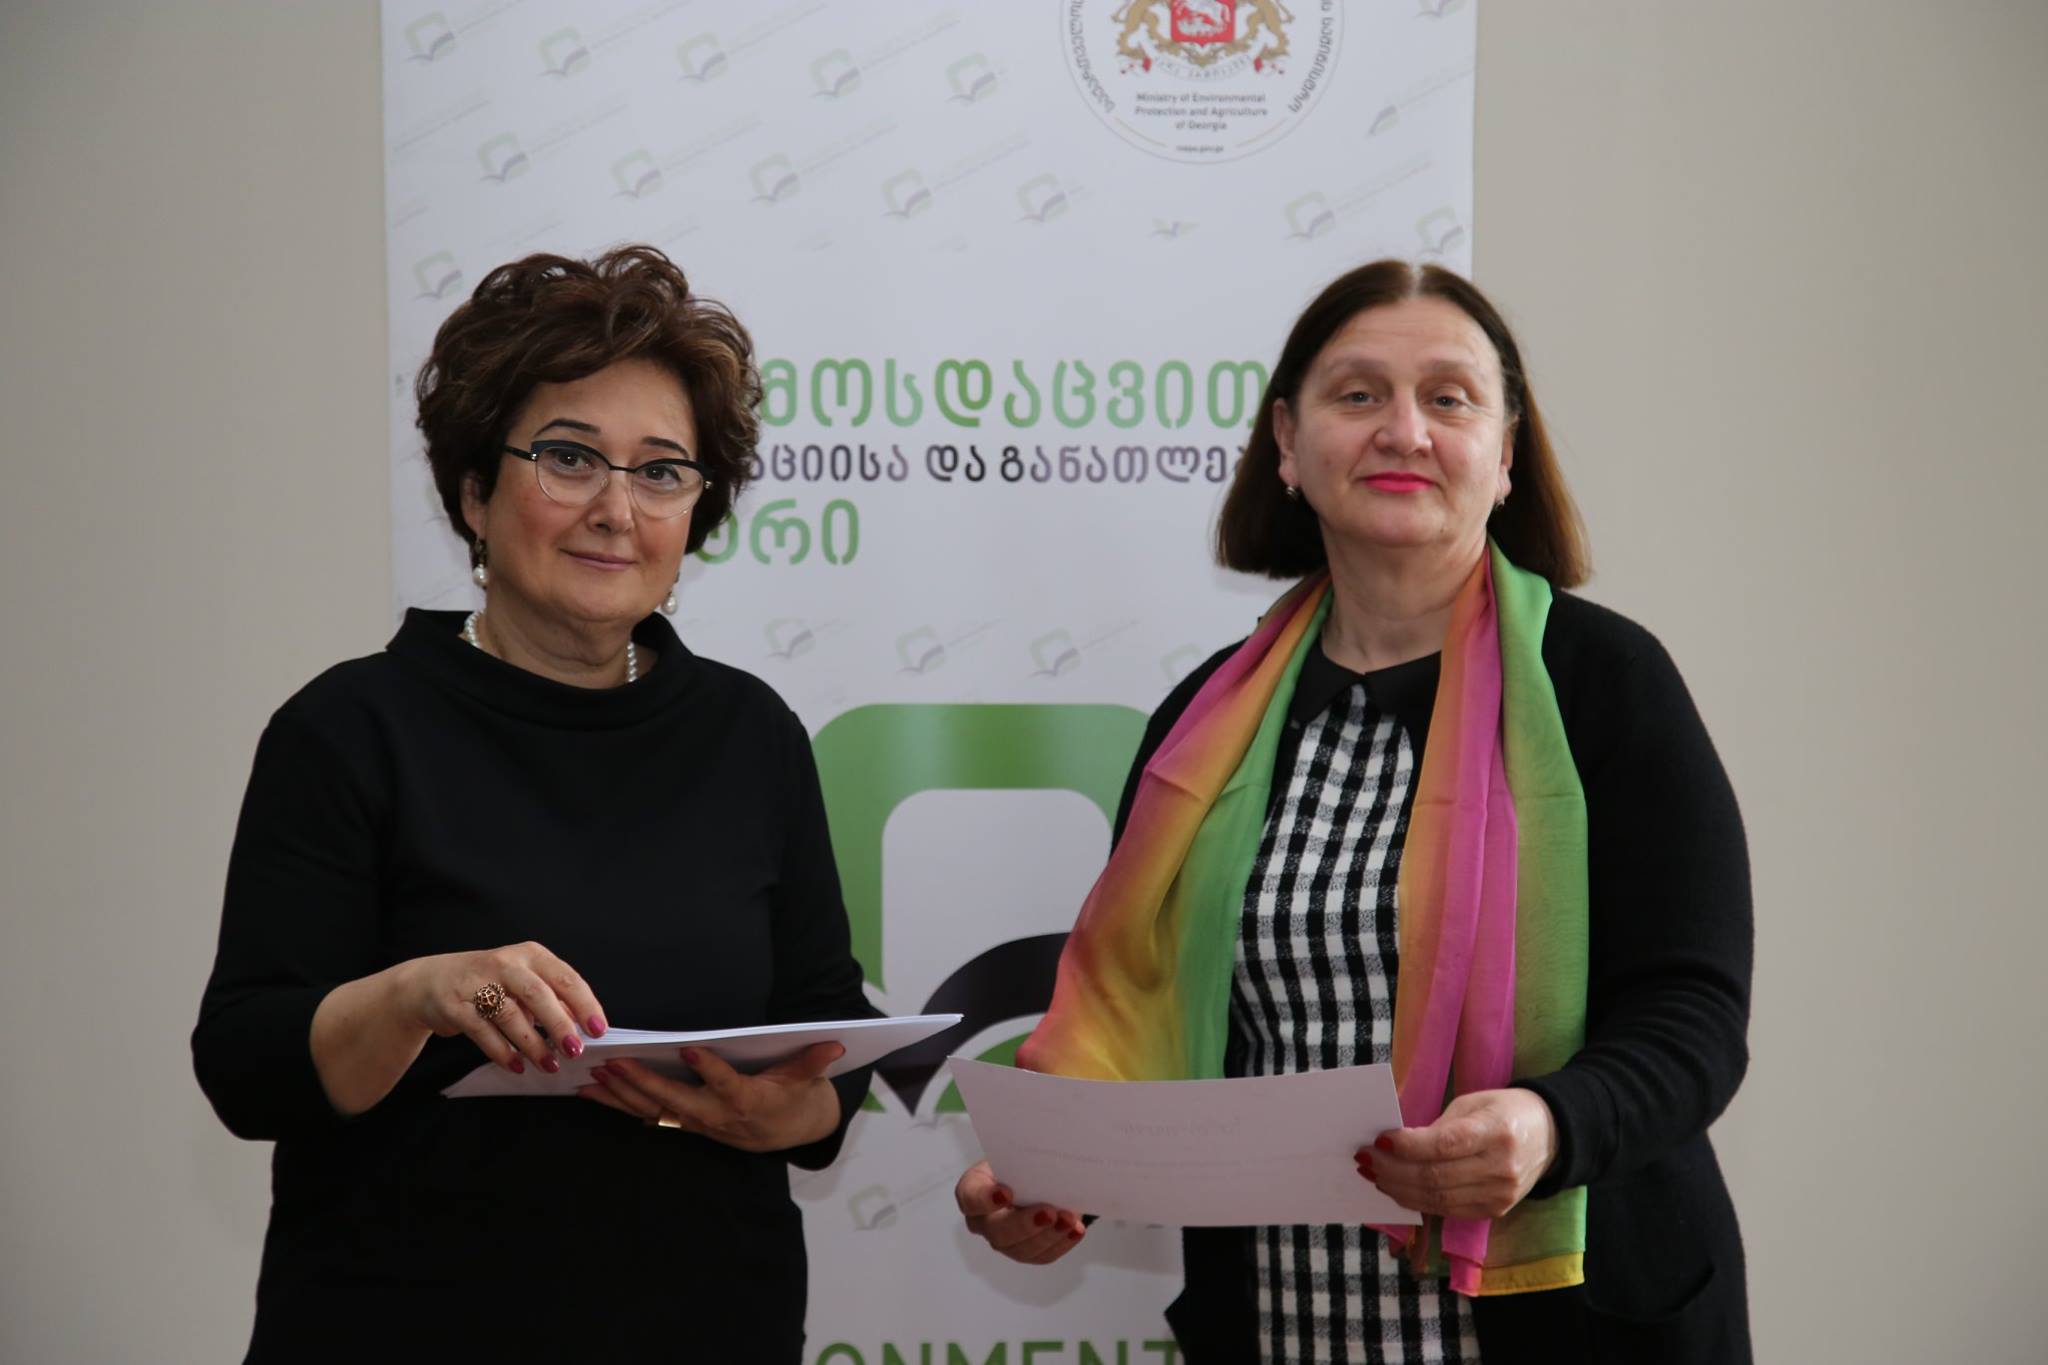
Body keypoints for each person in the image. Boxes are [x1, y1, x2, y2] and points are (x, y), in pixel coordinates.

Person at [955, 260, 1752, 1364]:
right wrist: (1053, 1171)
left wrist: (1547, 1124)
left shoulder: (1607, 684)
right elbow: (1144, 1013)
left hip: (1574, 1320)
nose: (1403, 431)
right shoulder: (1200, 721)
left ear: (1505, 452)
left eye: (1448, 398)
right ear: (1287, 441)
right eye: (1358, 394)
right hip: (1286, 1320)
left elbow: (1692, 1014)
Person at [192, 246, 877, 1362]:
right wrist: (418, 993)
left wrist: (785, 1113)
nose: (616, 509)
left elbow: (827, 1039)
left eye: (662, 472)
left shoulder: (750, 734)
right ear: (474, 491)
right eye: (568, 458)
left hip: (709, 1323)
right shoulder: (350, 728)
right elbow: (247, 1066)